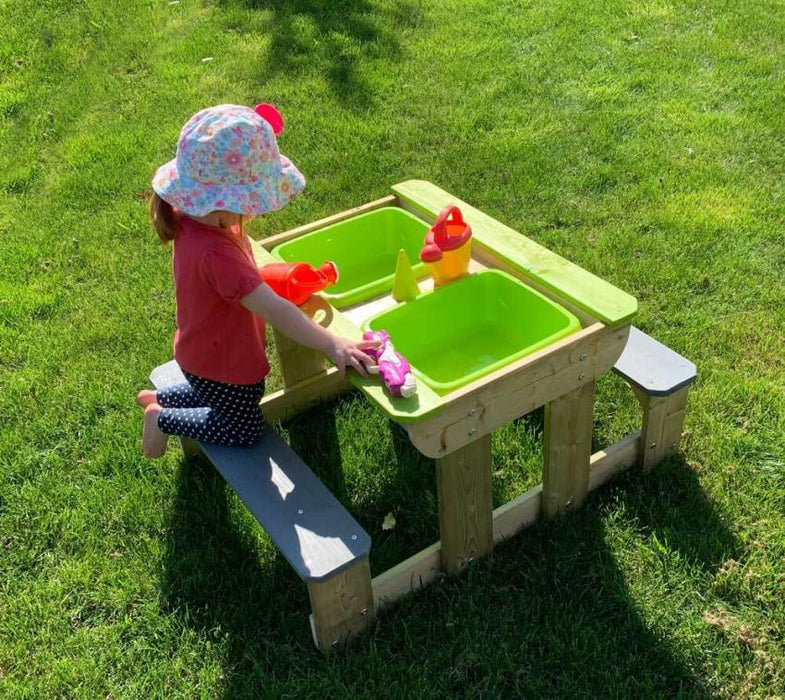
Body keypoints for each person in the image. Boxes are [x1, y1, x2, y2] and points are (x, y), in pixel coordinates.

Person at [136, 103, 377, 458]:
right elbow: (276, 310)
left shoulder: (189, 216)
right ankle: (162, 418)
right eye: (250, 200)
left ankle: (160, 397)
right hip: (226, 366)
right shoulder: (218, 255)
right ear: (223, 203)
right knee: (244, 426)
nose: (254, 209)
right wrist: (332, 344)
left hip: (200, 354)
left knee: (208, 391)